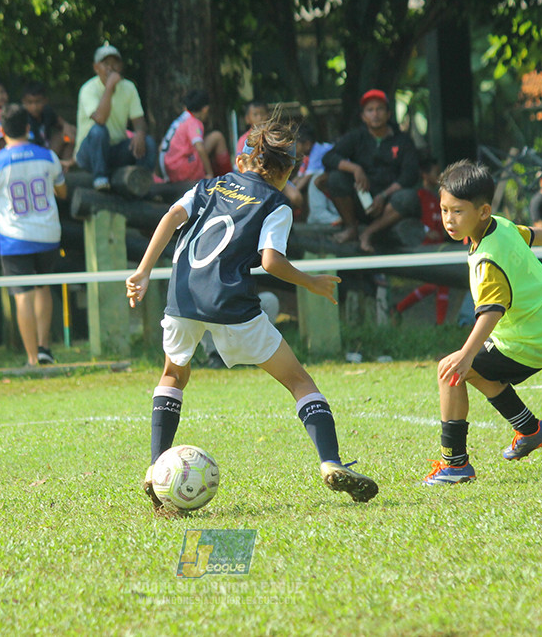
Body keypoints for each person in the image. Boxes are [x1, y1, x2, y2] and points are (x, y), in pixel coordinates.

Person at [126, 115, 379, 511]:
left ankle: (155, 467)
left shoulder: (211, 185)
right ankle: (330, 462)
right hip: (230, 303)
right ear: (289, 170)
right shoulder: (276, 204)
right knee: (299, 381)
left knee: (173, 373)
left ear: (247, 159)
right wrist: (311, 282)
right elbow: (272, 262)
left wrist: (142, 270)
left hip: (183, 295)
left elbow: (172, 217)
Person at [422, 160, 542, 486]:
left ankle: (455, 464)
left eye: (457, 211)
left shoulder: (487, 260)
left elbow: (490, 312)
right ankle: (530, 429)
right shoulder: (499, 225)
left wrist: (464, 355)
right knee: (472, 370)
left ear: (482, 211)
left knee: (450, 370)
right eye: (444, 210)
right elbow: (530, 234)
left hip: (530, 338)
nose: (449, 219)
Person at [0, 103, 67, 367]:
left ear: (1, 130)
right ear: (28, 127)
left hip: (15, 238)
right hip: (48, 233)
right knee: (43, 287)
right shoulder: (48, 156)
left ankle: (32, 359)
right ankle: (45, 347)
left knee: (23, 294)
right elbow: (62, 192)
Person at [321, 89, 419, 244]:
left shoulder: (403, 140)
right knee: (335, 178)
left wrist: (384, 195)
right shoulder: (356, 136)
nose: (375, 114)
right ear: (363, 116)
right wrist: (355, 169)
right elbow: (328, 157)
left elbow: (410, 175)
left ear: (388, 114)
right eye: (370, 110)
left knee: (409, 197)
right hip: (362, 200)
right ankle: (351, 228)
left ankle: (368, 232)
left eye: (380, 109)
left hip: (390, 204)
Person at [74, 44, 157, 191]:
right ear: (96, 68)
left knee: (148, 142)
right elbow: (100, 119)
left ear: (121, 67)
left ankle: (143, 184)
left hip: (115, 150)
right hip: (89, 153)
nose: (110, 68)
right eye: (106, 64)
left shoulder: (129, 87)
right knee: (99, 130)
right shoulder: (88, 89)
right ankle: (100, 178)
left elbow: (139, 121)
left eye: (115, 64)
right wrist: (109, 87)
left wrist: (139, 133)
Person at [394, 157, 450, 323]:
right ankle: (400, 308)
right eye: (436, 172)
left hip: (438, 247)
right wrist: (425, 231)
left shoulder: (438, 198)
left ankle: (400, 309)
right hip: (424, 248)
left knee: (440, 284)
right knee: (438, 283)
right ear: (424, 175)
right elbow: (410, 220)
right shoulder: (417, 196)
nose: (440, 176)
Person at [158, 89, 231, 182]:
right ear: (205, 109)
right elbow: (199, 148)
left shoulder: (180, 120)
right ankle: (228, 177)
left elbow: (161, 148)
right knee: (217, 137)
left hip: (170, 169)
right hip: (182, 170)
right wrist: (209, 173)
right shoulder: (193, 122)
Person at [292, 125, 339, 225]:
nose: (293, 149)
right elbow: (299, 177)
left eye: (295, 145)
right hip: (328, 182)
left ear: (307, 144)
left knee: (315, 179)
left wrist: (290, 195)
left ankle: (329, 217)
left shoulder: (317, 152)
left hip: (337, 178)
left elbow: (305, 179)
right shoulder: (307, 156)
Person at [21, 80, 75, 166]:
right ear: (24, 102)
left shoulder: (47, 112)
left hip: (49, 150)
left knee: (68, 135)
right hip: (32, 155)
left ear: (45, 101)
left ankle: (64, 166)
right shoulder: (23, 117)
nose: (34, 107)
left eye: (38, 102)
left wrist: (67, 129)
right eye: (30, 102)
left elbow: (64, 124)